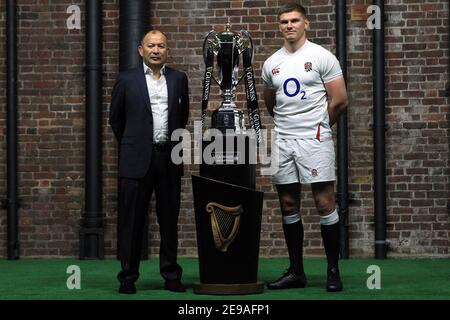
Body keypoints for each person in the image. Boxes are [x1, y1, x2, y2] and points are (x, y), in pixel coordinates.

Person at [261, 3, 348, 292]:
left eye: (294, 20)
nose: (289, 25)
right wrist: (290, 126)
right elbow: (270, 101)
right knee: (288, 203)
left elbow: (339, 100)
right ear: (279, 26)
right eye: (284, 21)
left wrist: (320, 127)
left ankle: (333, 270)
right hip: (284, 140)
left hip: (315, 139)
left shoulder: (322, 57)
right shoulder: (271, 63)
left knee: (324, 203)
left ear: (306, 23)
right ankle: (296, 272)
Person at [109, 29, 189, 294]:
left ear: (168, 51)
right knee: (132, 221)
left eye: (161, 46)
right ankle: (127, 278)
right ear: (140, 50)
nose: (156, 50)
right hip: (135, 160)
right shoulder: (126, 80)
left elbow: (183, 116)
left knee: (169, 220)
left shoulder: (179, 79)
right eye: (151, 46)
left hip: (169, 159)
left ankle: (171, 275)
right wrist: (135, 143)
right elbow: (116, 120)